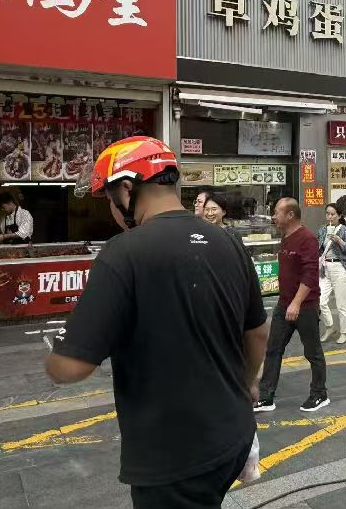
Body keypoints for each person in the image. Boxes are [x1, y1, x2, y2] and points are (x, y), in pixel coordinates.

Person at [45, 137, 268, 508]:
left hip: (173, 454)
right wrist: (245, 385)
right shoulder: (229, 243)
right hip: (234, 434)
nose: (111, 209)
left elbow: (70, 367)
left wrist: (55, 355)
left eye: (108, 197)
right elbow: (258, 333)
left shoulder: (123, 252)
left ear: (127, 189)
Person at [254, 198, 329, 413]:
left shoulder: (307, 239)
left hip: (305, 306)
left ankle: (319, 394)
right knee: (273, 349)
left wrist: (296, 303)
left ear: (290, 215)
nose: (273, 216)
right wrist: (287, 302)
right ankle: (266, 396)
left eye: (277, 212)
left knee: (312, 352)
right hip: (284, 303)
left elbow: (310, 275)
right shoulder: (285, 237)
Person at [317, 203, 346, 345]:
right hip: (325, 267)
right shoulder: (322, 229)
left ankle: (344, 332)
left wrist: (339, 241)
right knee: (320, 300)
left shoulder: (345, 230)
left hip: (339, 267)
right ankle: (330, 327)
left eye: (333, 214)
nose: (329, 216)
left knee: (342, 304)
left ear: (339, 216)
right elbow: (319, 248)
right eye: (327, 213)